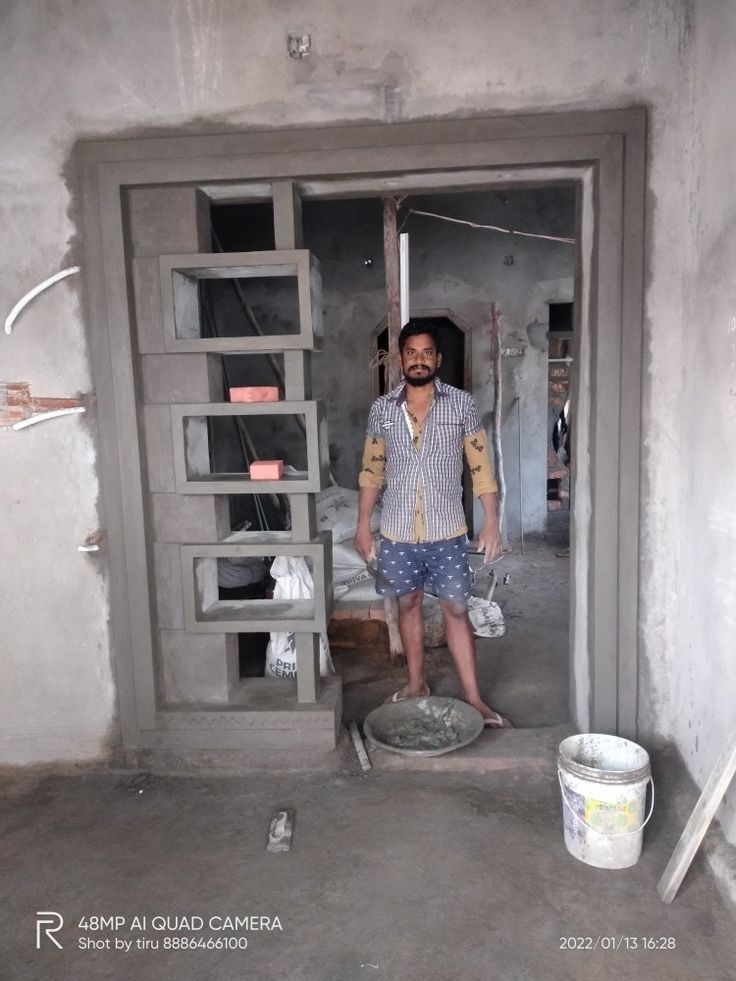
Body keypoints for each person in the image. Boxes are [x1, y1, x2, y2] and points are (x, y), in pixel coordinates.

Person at [354, 322, 512, 728]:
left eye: (427, 353)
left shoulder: (461, 405)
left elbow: (480, 467)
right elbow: (372, 471)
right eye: (411, 352)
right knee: (408, 604)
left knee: (456, 610)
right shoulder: (382, 410)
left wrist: (491, 522)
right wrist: (362, 525)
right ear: (401, 358)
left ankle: (474, 699)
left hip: (446, 531)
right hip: (397, 531)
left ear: (437, 359)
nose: (419, 360)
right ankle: (416, 684)